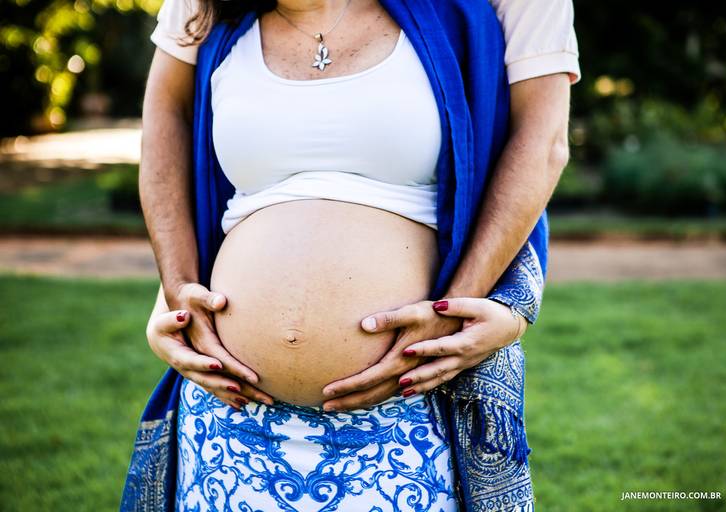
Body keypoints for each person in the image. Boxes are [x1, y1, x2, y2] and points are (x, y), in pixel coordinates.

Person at [121, 0, 580, 510]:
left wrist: (461, 310)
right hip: (227, 419)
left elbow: (541, 142)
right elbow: (165, 120)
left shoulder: (472, 13)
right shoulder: (209, 5)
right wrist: (176, 293)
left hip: (413, 409)